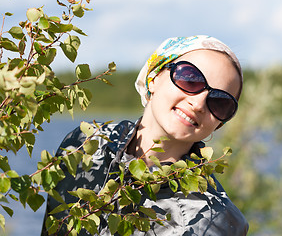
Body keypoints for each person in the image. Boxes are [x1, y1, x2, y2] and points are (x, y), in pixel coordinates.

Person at [41, 35, 249, 235]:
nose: (198, 104)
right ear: (154, 77)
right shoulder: (83, 145)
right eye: (190, 79)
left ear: (219, 123)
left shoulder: (217, 219)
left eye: (220, 101)